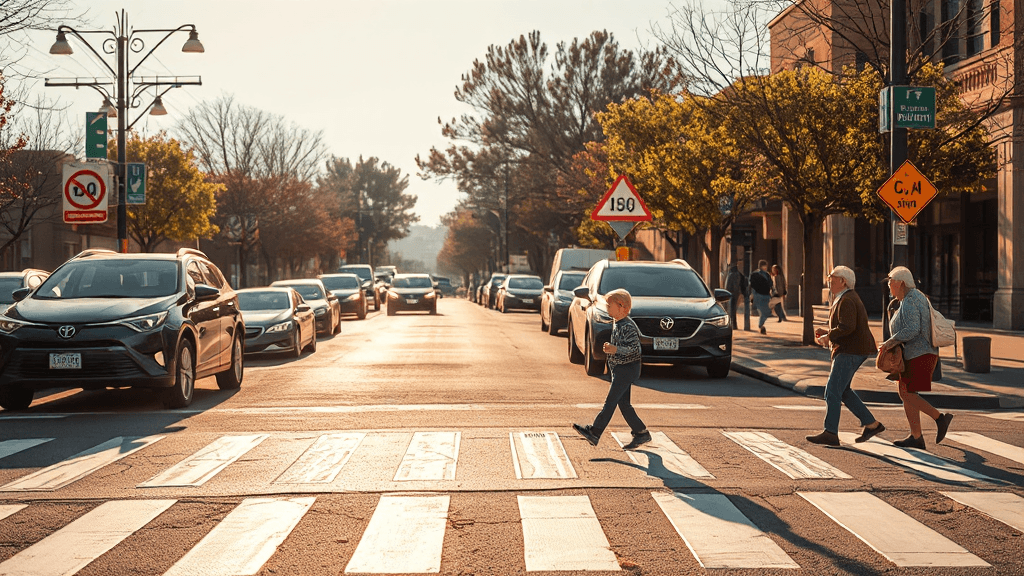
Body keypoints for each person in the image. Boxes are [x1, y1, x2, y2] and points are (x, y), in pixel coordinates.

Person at [806, 266, 886, 446]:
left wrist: (829, 336)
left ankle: (831, 432)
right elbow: (846, 326)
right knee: (843, 391)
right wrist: (828, 332)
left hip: (850, 351)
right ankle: (871, 424)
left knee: (832, 391)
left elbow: (847, 327)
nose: (829, 279)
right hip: (852, 349)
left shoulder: (848, 299)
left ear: (843, 281)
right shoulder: (844, 298)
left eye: (832, 277)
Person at [878, 266, 954, 450]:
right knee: (905, 392)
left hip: (920, 353)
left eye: (891, 282)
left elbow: (913, 329)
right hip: (916, 353)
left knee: (907, 393)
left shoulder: (911, 299)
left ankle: (939, 418)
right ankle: (916, 436)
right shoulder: (908, 298)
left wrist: (890, 342)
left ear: (900, 283)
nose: (888, 285)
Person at [572, 288, 651, 450]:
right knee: (624, 404)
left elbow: (635, 350)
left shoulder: (628, 326)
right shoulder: (618, 322)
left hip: (627, 369)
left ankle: (595, 432)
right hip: (620, 369)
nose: (607, 308)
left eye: (610, 305)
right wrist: (611, 349)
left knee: (610, 403)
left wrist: (616, 350)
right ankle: (641, 432)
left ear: (622, 307)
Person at [748, 260, 773, 334]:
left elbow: (770, 284)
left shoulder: (766, 274)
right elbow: (752, 285)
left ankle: (761, 325)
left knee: (766, 312)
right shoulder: (757, 274)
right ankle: (761, 326)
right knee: (763, 312)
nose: (765, 267)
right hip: (760, 295)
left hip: (763, 295)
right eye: (764, 265)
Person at [724, 263, 748, 329]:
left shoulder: (731, 275)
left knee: (731, 310)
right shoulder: (739, 274)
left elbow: (728, 285)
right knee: (733, 310)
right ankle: (734, 325)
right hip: (736, 294)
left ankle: (733, 325)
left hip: (731, 294)